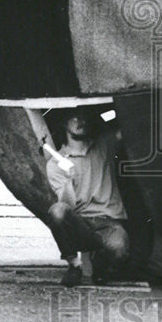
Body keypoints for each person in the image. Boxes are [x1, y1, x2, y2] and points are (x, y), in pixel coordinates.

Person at [46, 108, 129, 287]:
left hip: (107, 223)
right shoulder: (55, 163)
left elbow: (127, 125)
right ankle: (74, 265)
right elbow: (65, 205)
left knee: (120, 248)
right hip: (80, 224)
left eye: (83, 116)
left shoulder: (105, 146)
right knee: (57, 211)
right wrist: (68, 178)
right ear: (63, 123)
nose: (79, 120)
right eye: (72, 117)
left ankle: (100, 264)